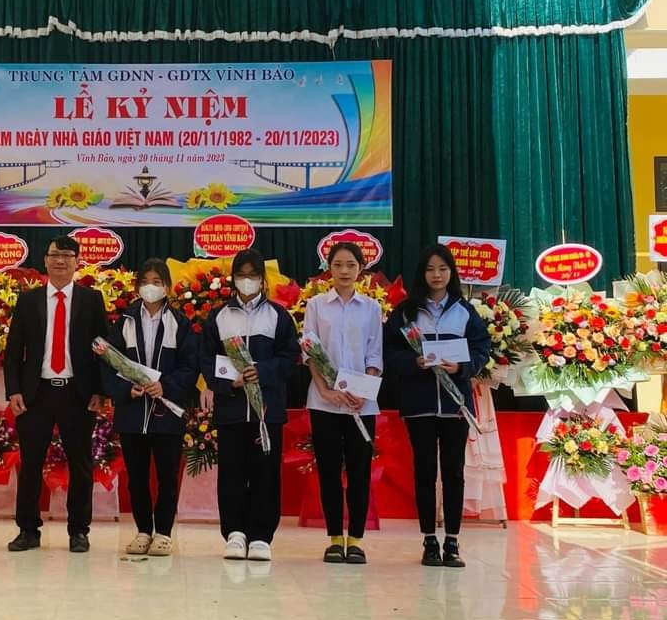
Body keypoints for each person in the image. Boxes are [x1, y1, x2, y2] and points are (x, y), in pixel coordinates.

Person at [383, 244, 490, 568]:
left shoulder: (464, 310)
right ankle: (429, 539)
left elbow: (482, 348)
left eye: (443, 269)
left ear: (451, 272)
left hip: (456, 403)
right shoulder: (406, 312)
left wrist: (463, 367)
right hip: (420, 403)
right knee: (425, 471)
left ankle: (452, 541)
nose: (437, 275)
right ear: (422, 274)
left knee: (454, 472)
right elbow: (389, 352)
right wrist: (413, 362)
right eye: (430, 269)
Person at [4, 235, 109, 554]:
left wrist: (100, 391)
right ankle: (28, 529)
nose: (60, 260)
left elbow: (103, 349)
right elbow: (14, 350)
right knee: (31, 463)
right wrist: (14, 390)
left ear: (77, 262)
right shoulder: (29, 300)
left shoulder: (91, 299)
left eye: (67, 255)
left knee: (81, 465)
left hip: (78, 394)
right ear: (45, 260)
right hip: (36, 394)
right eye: (54, 255)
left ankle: (79, 531)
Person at [201, 248, 300, 562]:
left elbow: (291, 357)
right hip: (231, 410)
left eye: (253, 275)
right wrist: (228, 383)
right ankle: (234, 533)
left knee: (265, 474)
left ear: (262, 279)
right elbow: (205, 359)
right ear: (233, 278)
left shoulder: (278, 316)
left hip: (267, 412)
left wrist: (263, 371)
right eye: (241, 275)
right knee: (231, 472)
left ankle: (260, 536)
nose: (247, 281)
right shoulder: (219, 316)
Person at [97, 259, 198, 557]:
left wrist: (166, 386)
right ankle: (143, 530)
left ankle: (163, 532)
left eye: (157, 281)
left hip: (167, 412)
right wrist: (125, 390)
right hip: (132, 414)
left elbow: (190, 366)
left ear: (167, 286)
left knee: (167, 477)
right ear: (137, 286)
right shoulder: (125, 322)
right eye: (145, 281)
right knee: (137, 478)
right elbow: (108, 364)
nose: (150, 287)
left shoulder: (180, 324)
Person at [302, 242, 382, 565]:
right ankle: (335, 538)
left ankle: (357, 540)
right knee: (329, 471)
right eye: (338, 265)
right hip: (324, 403)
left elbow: (374, 355)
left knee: (360, 472)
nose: (344, 271)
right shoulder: (316, 305)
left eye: (351, 265)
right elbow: (310, 351)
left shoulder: (371, 308)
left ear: (361, 269)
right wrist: (325, 390)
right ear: (329, 269)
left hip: (361, 404)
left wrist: (364, 391)